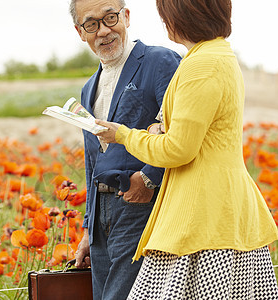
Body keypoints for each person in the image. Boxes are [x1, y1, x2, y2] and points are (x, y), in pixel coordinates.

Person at [95, 0, 278, 298]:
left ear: (183, 15)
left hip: (202, 215)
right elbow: (194, 132)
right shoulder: (217, 56)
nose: (164, 21)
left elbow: (179, 149)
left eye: (165, 13)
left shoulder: (201, 64)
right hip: (218, 209)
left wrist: (125, 136)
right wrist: (159, 128)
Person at [69, 0, 181, 299]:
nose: (104, 31)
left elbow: (178, 129)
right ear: (81, 32)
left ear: (126, 16)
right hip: (101, 212)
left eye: (110, 18)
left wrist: (149, 179)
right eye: (92, 24)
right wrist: (88, 229)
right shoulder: (89, 87)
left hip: (140, 203)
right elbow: (93, 160)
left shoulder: (160, 61)